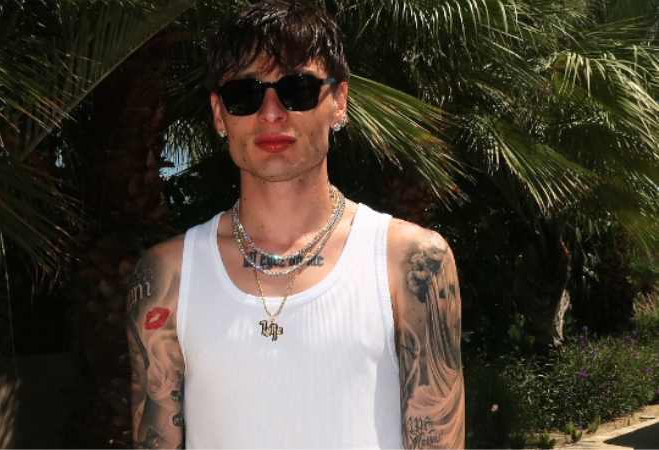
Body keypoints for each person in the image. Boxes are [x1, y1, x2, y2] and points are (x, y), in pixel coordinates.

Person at [126, 1, 464, 448]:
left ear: (339, 102)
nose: (271, 113)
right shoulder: (168, 276)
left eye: (298, 89)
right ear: (219, 114)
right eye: (243, 94)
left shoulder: (411, 262)